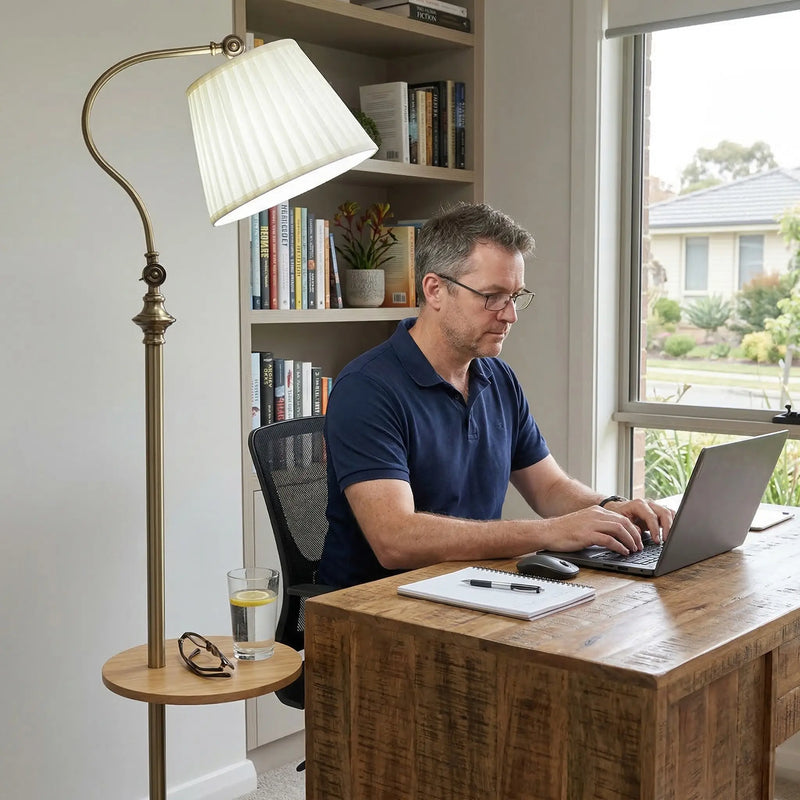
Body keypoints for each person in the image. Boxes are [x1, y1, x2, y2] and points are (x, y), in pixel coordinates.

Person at [319, 202, 673, 588]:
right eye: (493, 296)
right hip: (376, 610)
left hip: (471, 589)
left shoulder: (497, 377)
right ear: (435, 290)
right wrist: (551, 532)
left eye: (515, 296)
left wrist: (612, 509)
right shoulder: (366, 389)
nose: (510, 315)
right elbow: (395, 540)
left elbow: (550, 488)